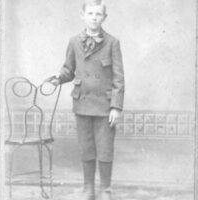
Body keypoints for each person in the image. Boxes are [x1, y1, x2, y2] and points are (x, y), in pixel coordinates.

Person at [49, 0, 124, 199]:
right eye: (90, 13)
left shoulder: (112, 43)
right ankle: (88, 188)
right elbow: (68, 69)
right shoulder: (74, 41)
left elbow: (119, 77)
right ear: (83, 15)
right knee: (86, 147)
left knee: (106, 148)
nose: (94, 18)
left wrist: (116, 107)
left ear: (104, 18)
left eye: (98, 14)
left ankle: (105, 190)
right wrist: (59, 77)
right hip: (82, 103)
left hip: (105, 106)